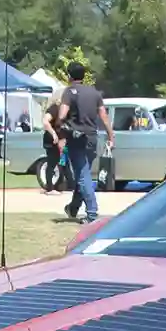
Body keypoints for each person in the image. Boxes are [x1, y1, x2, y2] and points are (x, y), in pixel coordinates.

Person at [53, 59, 111, 223]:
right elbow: (104, 117)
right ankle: (73, 208)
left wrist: (59, 124)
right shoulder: (95, 93)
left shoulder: (69, 92)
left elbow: (63, 115)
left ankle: (92, 213)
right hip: (93, 138)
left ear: (69, 75)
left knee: (83, 176)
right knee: (82, 174)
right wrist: (111, 136)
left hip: (76, 138)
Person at [39, 101, 66, 194]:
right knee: (52, 162)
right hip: (51, 139)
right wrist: (54, 134)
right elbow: (45, 122)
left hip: (57, 139)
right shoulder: (54, 108)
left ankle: (54, 186)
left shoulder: (63, 109)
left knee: (57, 162)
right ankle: (49, 188)